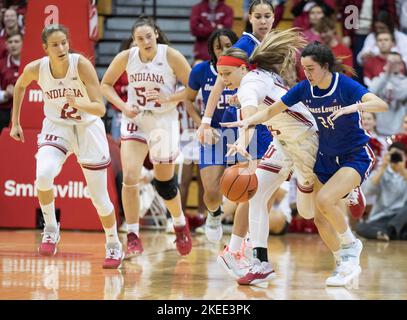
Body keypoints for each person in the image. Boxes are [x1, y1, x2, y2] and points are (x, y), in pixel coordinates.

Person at [225, 41, 389, 286]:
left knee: (318, 205)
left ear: (325, 66)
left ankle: (351, 239)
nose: (306, 73)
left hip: (342, 151)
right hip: (311, 150)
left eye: (310, 68)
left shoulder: (343, 85)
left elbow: (381, 105)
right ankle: (340, 263)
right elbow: (269, 113)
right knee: (305, 211)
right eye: (303, 68)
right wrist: (245, 126)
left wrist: (353, 107)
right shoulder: (303, 88)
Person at [9, 24, 124, 268]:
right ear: (45, 48)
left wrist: (79, 104)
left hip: (88, 127)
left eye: (64, 42)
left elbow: (100, 108)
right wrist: (15, 122)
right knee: (43, 175)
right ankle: (51, 228)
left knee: (99, 198)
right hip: (56, 126)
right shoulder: (37, 68)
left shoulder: (80, 64)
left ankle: (113, 244)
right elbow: (19, 85)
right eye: (54, 44)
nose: (61, 48)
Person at [217, 29, 319, 284]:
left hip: (308, 141)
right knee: (256, 193)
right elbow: (249, 118)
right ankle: (260, 262)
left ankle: (349, 188)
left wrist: (241, 138)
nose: (223, 79)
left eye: (227, 74)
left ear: (242, 69)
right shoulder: (259, 76)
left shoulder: (249, 85)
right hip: (282, 142)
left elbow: (250, 112)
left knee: (308, 212)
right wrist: (242, 141)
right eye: (219, 75)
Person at [101, 17, 193, 257]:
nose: (145, 41)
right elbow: (105, 85)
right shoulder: (127, 57)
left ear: (156, 34)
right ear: (135, 41)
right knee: (130, 176)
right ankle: (132, 236)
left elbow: (194, 86)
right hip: (136, 119)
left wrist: (170, 98)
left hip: (163, 121)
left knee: (164, 184)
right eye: (140, 38)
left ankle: (180, 222)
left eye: (148, 36)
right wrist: (122, 106)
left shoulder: (170, 55)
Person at [197, 0, 274, 251]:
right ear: (249, 18)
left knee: (255, 187)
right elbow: (220, 82)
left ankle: (246, 245)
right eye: (258, 16)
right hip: (236, 121)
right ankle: (215, 215)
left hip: (263, 122)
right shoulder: (245, 44)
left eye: (267, 16)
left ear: (274, 18)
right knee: (213, 188)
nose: (263, 21)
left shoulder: (274, 44)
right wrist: (206, 122)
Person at [185, 28, 238, 237]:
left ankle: (245, 236)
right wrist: (202, 124)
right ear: (211, 50)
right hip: (213, 134)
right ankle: (214, 214)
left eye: (228, 45)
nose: (224, 50)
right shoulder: (201, 71)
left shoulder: (246, 69)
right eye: (219, 47)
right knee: (212, 191)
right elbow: (188, 100)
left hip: (241, 132)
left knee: (245, 187)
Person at [356, 142, 407, 241]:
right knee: (360, 227)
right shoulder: (380, 173)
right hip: (381, 218)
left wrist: (402, 171)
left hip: (401, 217)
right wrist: (382, 167)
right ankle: (394, 233)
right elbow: (365, 192)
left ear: (405, 157)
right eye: (393, 155)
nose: (396, 158)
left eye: (399, 155)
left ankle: (388, 232)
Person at [0, 31, 22, 133]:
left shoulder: (31, 63)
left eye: (16, 41)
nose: (13, 44)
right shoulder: (1, 65)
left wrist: (17, 92)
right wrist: (6, 94)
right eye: (10, 42)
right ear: (6, 45)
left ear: (23, 43)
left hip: (25, 108)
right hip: (5, 109)